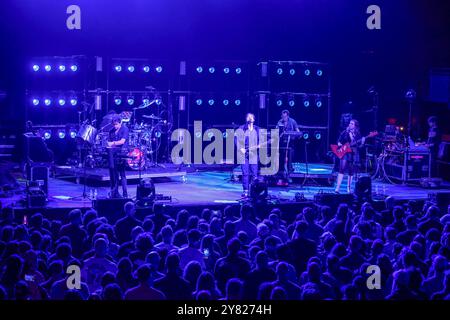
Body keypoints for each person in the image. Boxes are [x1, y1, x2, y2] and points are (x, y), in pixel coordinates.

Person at [334, 119, 366, 194]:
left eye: (352, 124)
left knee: (351, 171)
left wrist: (363, 142)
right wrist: (339, 144)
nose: (350, 124)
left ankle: (348, 188)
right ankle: (337, 188)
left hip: (353, 153)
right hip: (345, 153)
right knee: (341, 169)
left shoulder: (358, 134)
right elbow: (339, 141)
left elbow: (360, 147)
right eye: (350, 123)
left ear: (355, 126)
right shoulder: (345, 132)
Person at [237, 113, 260, 197]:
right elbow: (237, 140)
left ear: (254, 119)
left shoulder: (257, 129)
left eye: (251, 117)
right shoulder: (241, 128)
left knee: (254, 174)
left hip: (253, 153)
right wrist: (241, 148)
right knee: (245, 173)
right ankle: (245, 191)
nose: (250, 118)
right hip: (244, 154)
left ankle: (255, 191)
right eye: (248, 117)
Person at [107, 115, 129, 198]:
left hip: (122, 153)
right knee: (114, 174)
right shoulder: (111, 131)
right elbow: (109, 142)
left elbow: (122, 141)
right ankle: (115, 192)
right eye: (113, 125)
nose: (115, 126)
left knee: (122, 173)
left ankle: (125, 193)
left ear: (120, 123)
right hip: (113, 154)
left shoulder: (125, 129)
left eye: (116, 124)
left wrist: (113, 143)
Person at [276, 110, 300, 180]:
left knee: (290, 155)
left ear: (288, 116)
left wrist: (298, 134)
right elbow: (276, 130)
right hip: (282, 142)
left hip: (290, 142)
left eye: (285, 116)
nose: (283, 118)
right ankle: (281, 169)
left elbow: (297, 130)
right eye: (282, 116)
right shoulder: (280, 122)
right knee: (281, 155)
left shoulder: (292, 121)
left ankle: (289, 169)